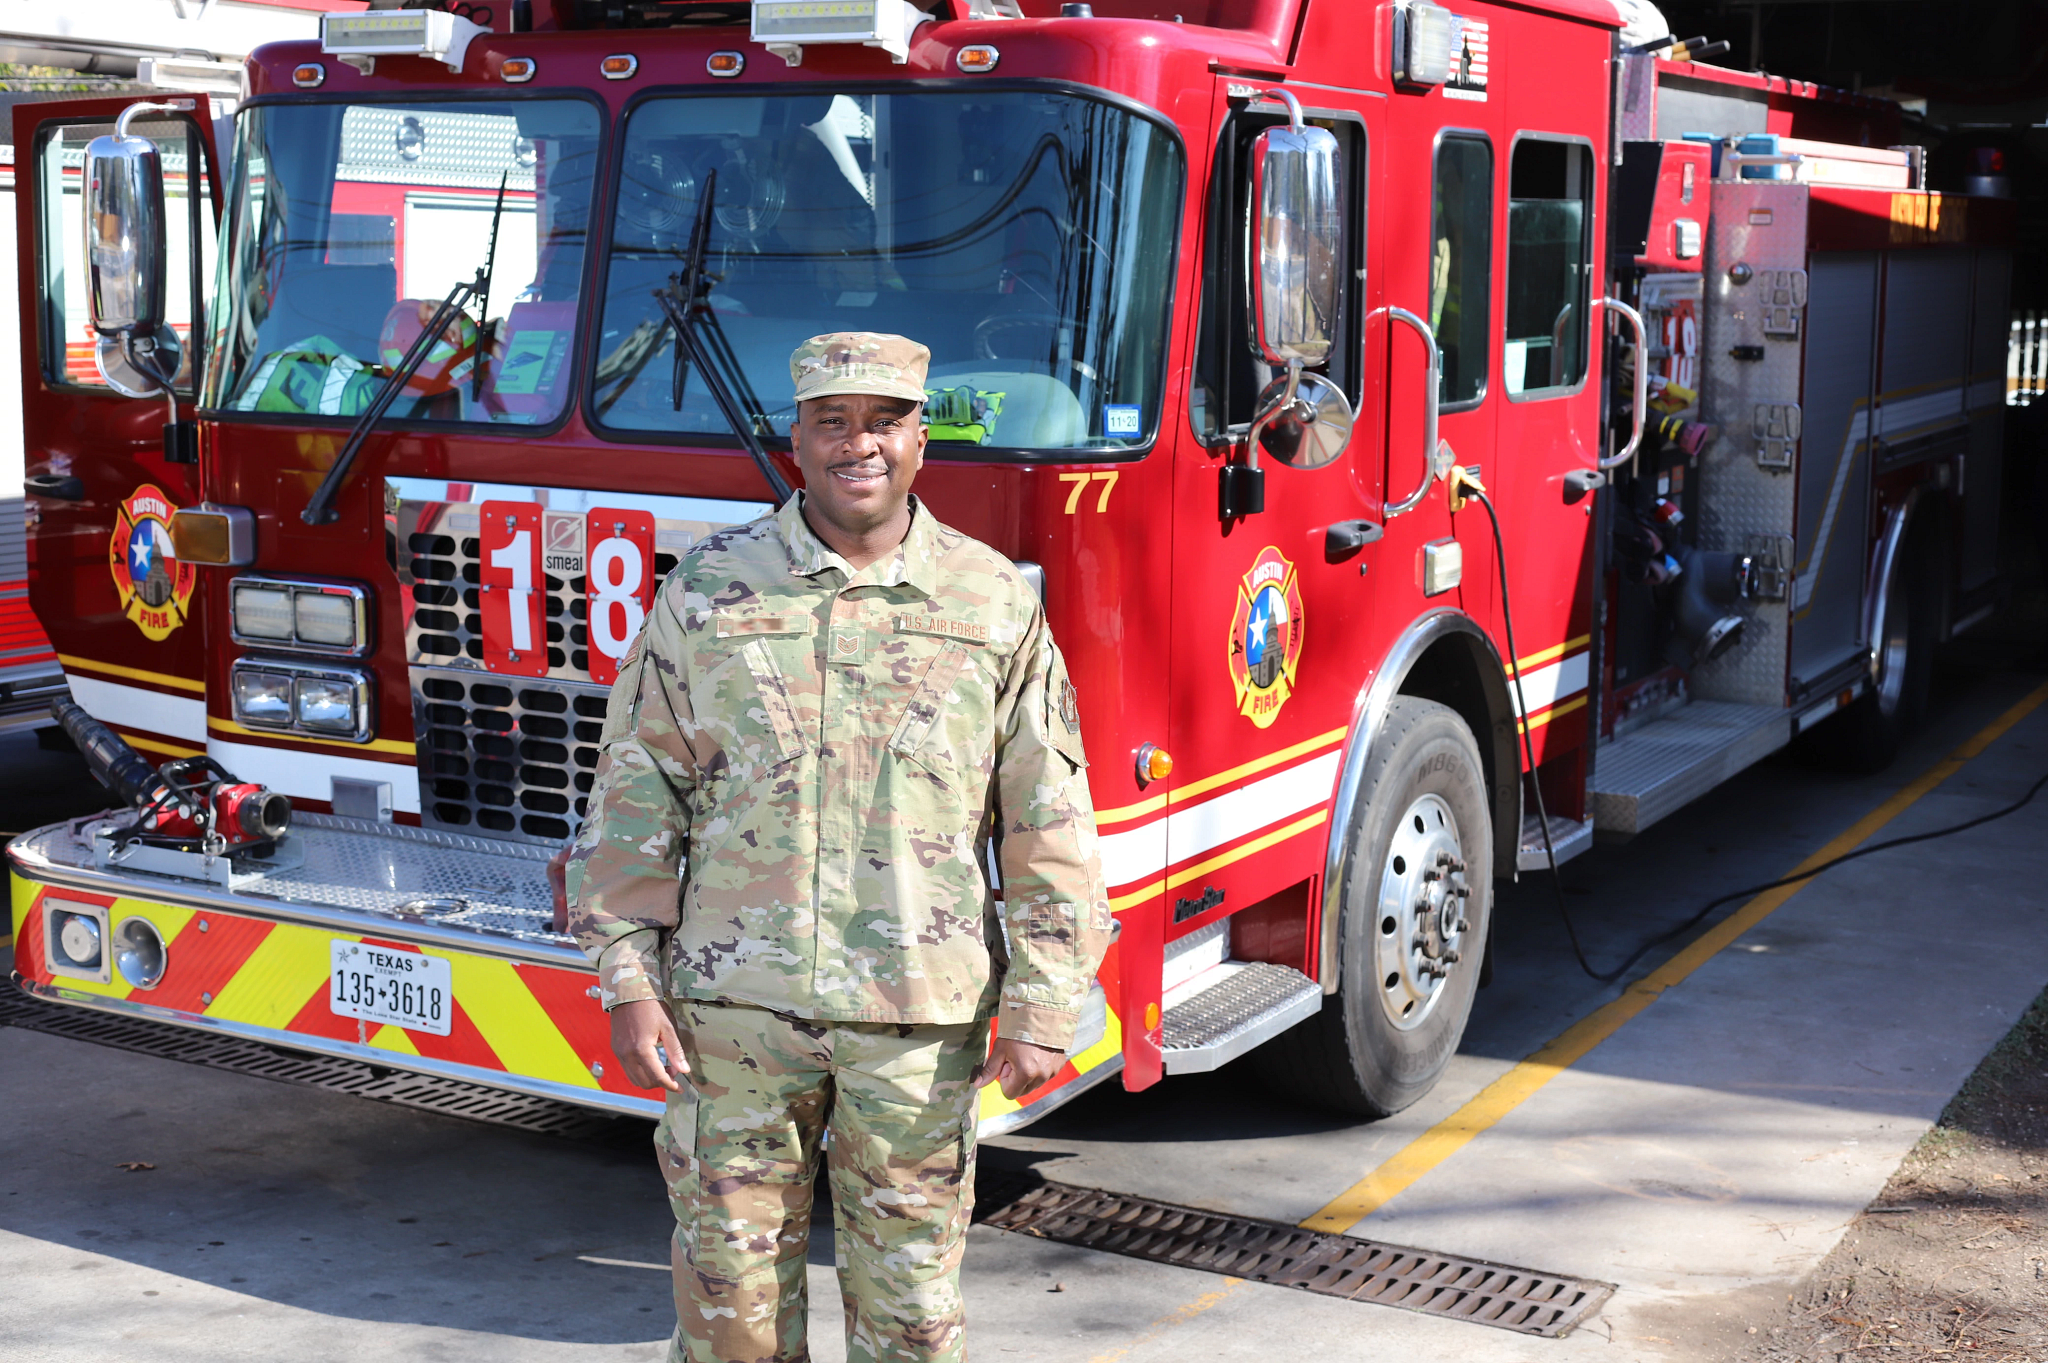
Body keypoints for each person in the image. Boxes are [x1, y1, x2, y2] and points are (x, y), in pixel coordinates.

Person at [564, 331, 1111, 1363]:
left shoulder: (990, 600)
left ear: (918, 438)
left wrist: (1045, 1001)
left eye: (883, 420)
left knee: (908, 1318)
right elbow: (636, 799)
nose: (858, 444)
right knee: (731, 1318)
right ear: (797, 437)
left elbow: (1048, 817)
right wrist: (627, 979)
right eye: (833, 421)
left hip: (915, 1019)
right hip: (733, 1016)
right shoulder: (708, 593)